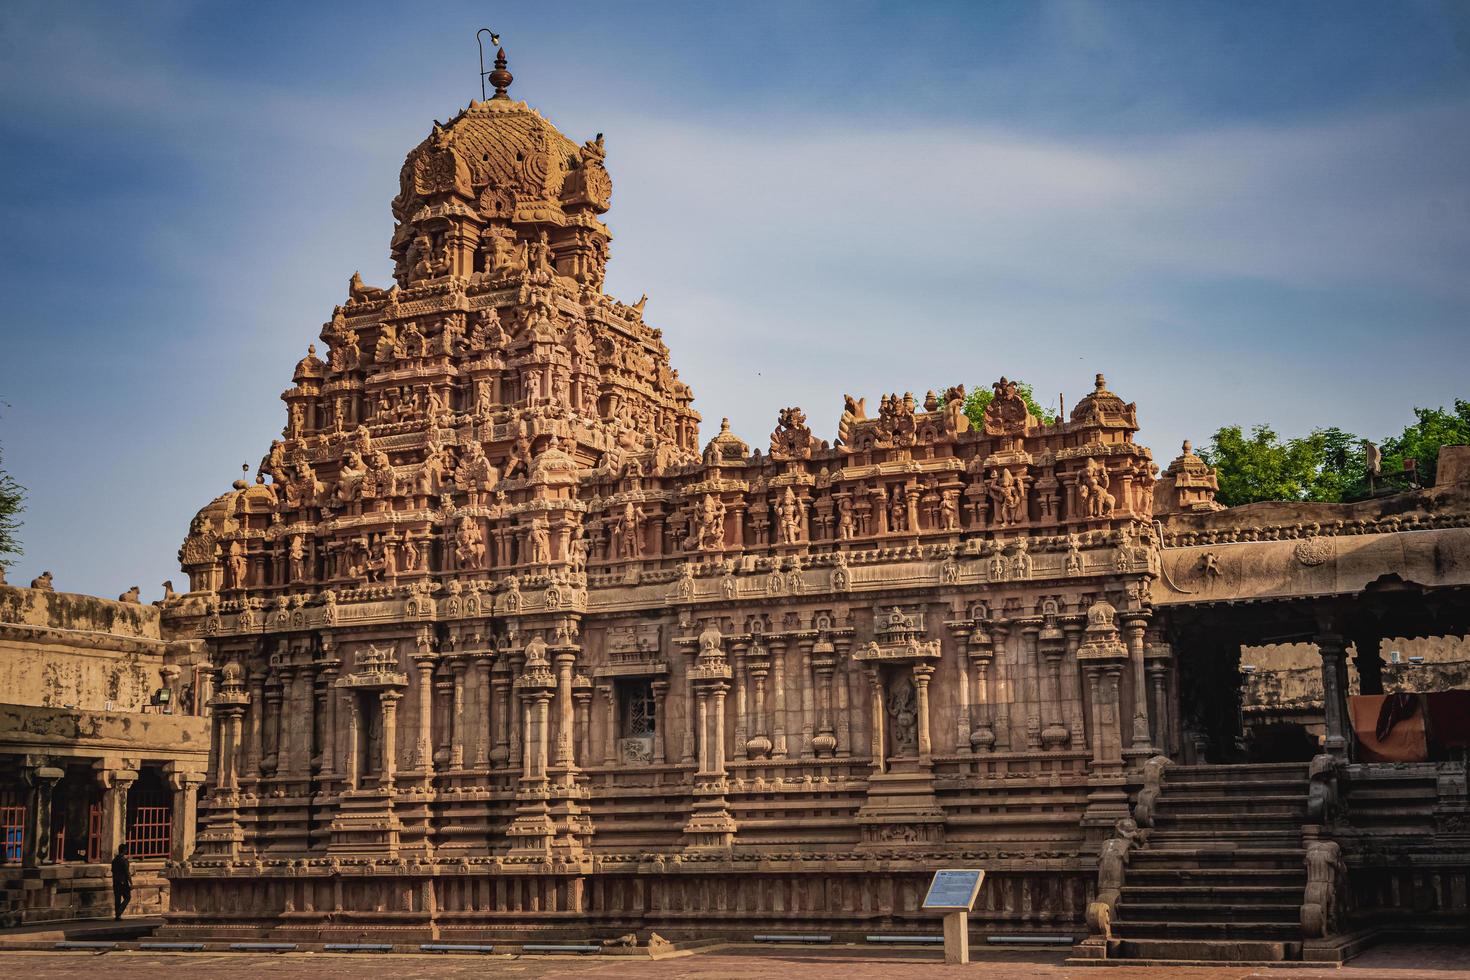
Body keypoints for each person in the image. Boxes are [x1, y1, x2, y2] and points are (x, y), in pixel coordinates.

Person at [111, 847, 132, 920]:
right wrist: (131, 882)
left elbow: (113, 871)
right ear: (124, 850)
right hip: (123, 881)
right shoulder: (124, 861)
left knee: (117, 898)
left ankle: (117, 915)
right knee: (127, 897)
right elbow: (127, 872)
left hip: (115, 881)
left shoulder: (114, 860)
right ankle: (119, 911)